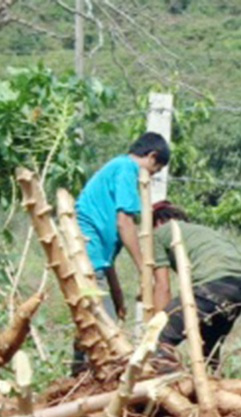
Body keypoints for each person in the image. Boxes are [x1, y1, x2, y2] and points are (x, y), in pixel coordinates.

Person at [72, 132, 170, 372]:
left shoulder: (116, 169)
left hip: (91, 262)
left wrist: (117, 293)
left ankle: (78, 376)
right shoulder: (126, 168)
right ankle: (93, 383)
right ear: (151, 157)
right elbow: (124, 222)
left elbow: (107, 259)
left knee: (92, 321)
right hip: (87, 263)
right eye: (154, 171)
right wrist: (143, 269)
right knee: (105, 330)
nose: (149, 177)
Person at [150, 201, 241, 372]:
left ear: (158, 222)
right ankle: (211, 389)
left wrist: (156, 326)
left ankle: (172, 389)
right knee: (208, 353)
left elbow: (162, 286)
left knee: (159, 342)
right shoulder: (202, 231)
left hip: (212, 284)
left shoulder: (158, 234)